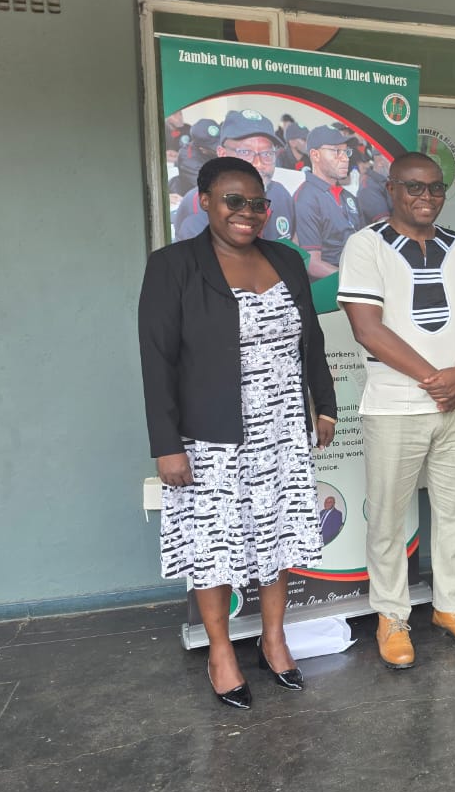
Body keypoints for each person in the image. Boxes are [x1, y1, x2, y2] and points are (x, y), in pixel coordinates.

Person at [138, 156, 337, 709]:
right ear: (204, 201)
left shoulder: (286, 260)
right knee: (215, 545)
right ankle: (221, 652)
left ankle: (275, 642)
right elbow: (157, 361)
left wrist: (324, 406)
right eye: (233, 201)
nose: (246, 213)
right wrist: (167, 445)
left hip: (281, 433)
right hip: (210, 436)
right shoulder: (173, 265)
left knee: (275, 536)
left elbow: (311, 340)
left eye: (257, 203)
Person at [337, 153, 455, 669]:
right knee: (386, 514)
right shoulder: (365, 246)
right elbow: (367, 328)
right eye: (414, 188)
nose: (425, 197)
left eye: (435, 189)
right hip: (394, 406)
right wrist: (436, 379)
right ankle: (391, 615)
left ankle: (450, 607)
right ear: (391, 189)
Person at [172, 110, 296, 244]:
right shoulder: (200, 208)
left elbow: (294, 251)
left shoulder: (281, 195)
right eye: (245, 152)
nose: (259, 164)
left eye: (267, 154)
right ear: (222, 154)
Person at [294, 126, 363, 281]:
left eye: (346, 152)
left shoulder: (348, 197)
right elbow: (312, 263)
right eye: (337, 151)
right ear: (315, 155)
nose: (345, 158)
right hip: (329, 291)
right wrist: (353, 281)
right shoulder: (307, 198)